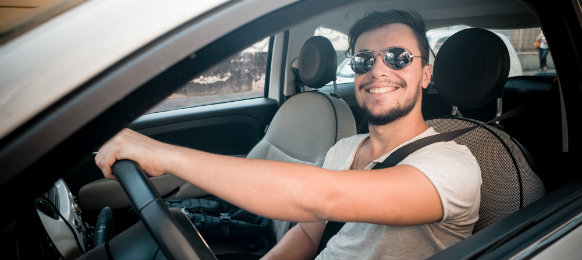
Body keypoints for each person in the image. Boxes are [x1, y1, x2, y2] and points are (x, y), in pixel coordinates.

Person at [95, 10, 481, 260]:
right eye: (364, 60)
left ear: (426, 74)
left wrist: (164, 155)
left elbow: (321, 198)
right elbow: (309, 237)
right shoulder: (344, 148)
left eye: (397, 57)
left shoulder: (452, 165)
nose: (378, 71)